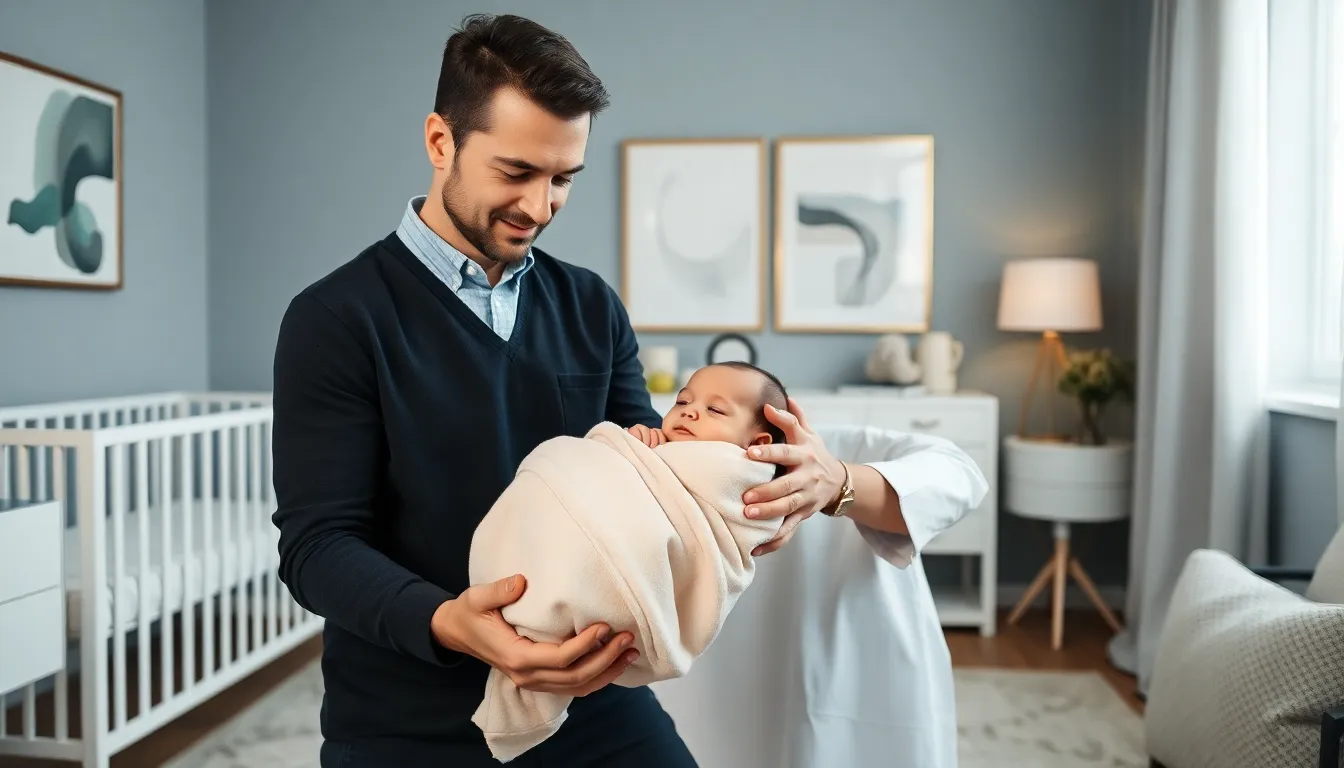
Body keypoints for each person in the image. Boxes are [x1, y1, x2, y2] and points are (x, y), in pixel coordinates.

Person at [270, 12, 984, 768]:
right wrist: (453, 622)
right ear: (441, 141)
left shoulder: (591, 306)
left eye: (563, 179)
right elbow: (317, 547)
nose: (540, 207)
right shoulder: (336, 319)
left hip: (594, 700)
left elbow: (657, 476)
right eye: (516, 172)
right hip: (407, 711)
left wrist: (796, 482)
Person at [626, 362, 789, 451]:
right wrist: (629, 442)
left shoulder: (752, 485)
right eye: (682, 401)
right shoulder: (653, 445)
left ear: (757, 444)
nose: (687, 411)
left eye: (714, 409)